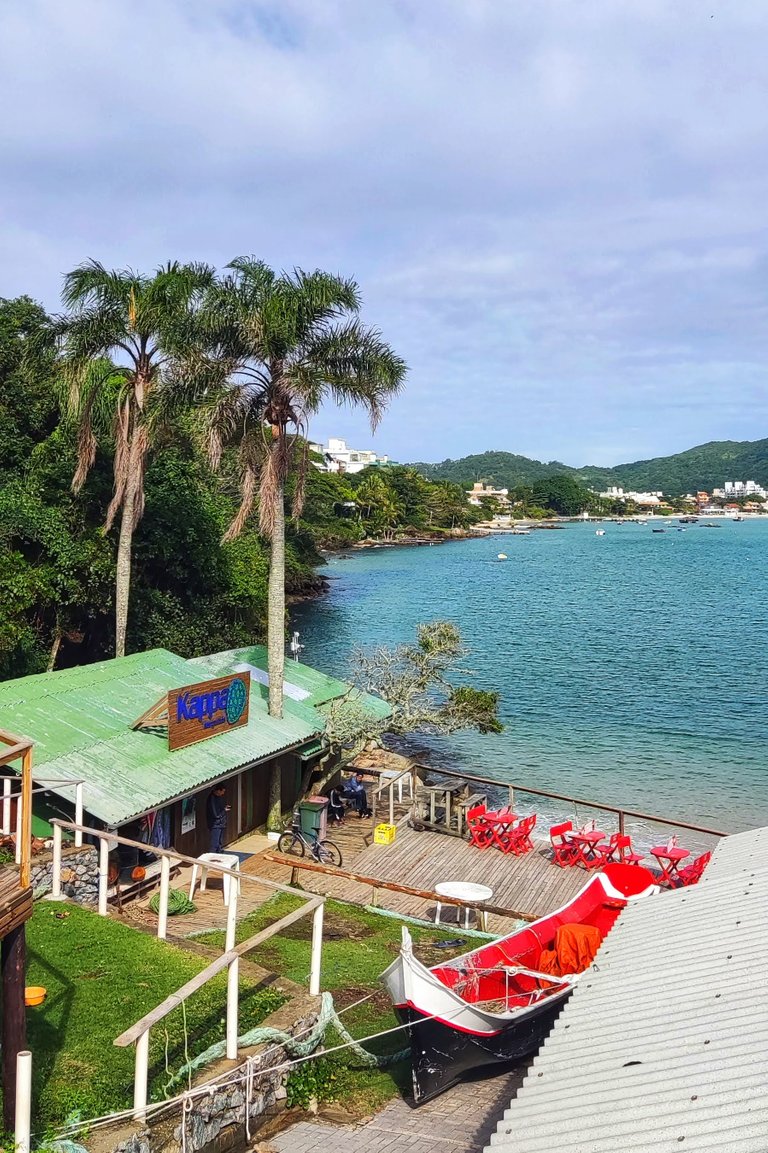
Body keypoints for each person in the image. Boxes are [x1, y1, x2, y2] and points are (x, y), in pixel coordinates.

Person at [206, 785, 230, 853]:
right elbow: (215, 814)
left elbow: (220, 808)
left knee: (219, 842)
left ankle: (219, 852)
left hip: (221, 823)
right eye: (222, 791)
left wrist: (224, 808)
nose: (223, 793)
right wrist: (223, 811)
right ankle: (211, 858)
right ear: (218, 790)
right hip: (215, 824)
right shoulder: (212, 799)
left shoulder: (219, 797)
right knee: (215, 844)